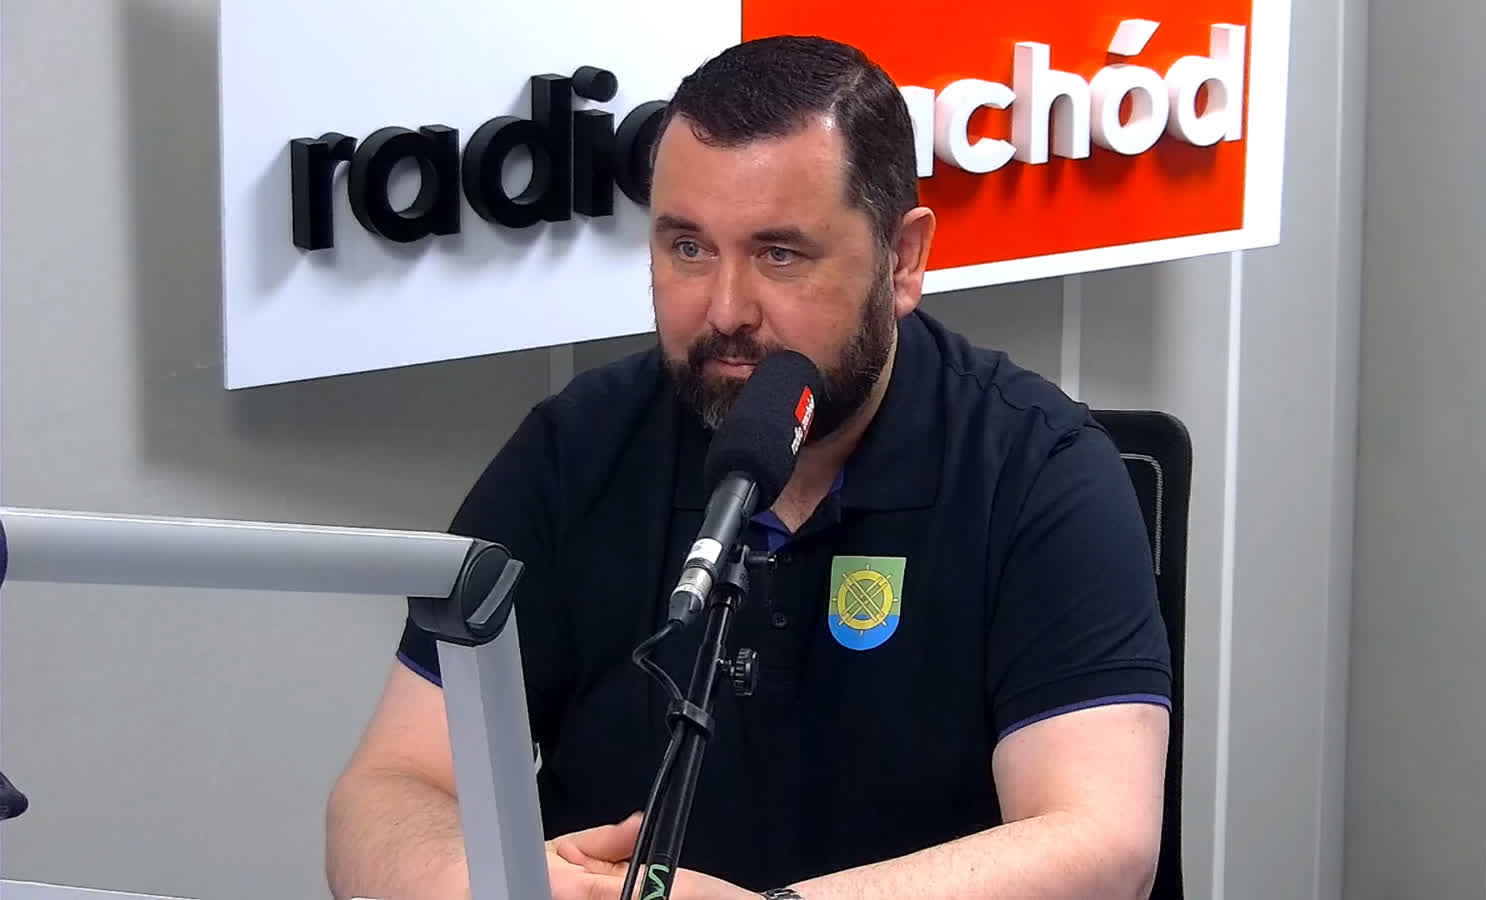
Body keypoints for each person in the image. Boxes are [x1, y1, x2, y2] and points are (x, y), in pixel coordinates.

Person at [325, 34, 1172, 900]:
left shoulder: (1037, 466)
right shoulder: (573, 452)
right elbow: (387, 790)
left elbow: (1103, 844)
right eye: (688, 248)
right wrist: (489, 886)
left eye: (780, 254)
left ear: (904, 260)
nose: (726, 310)